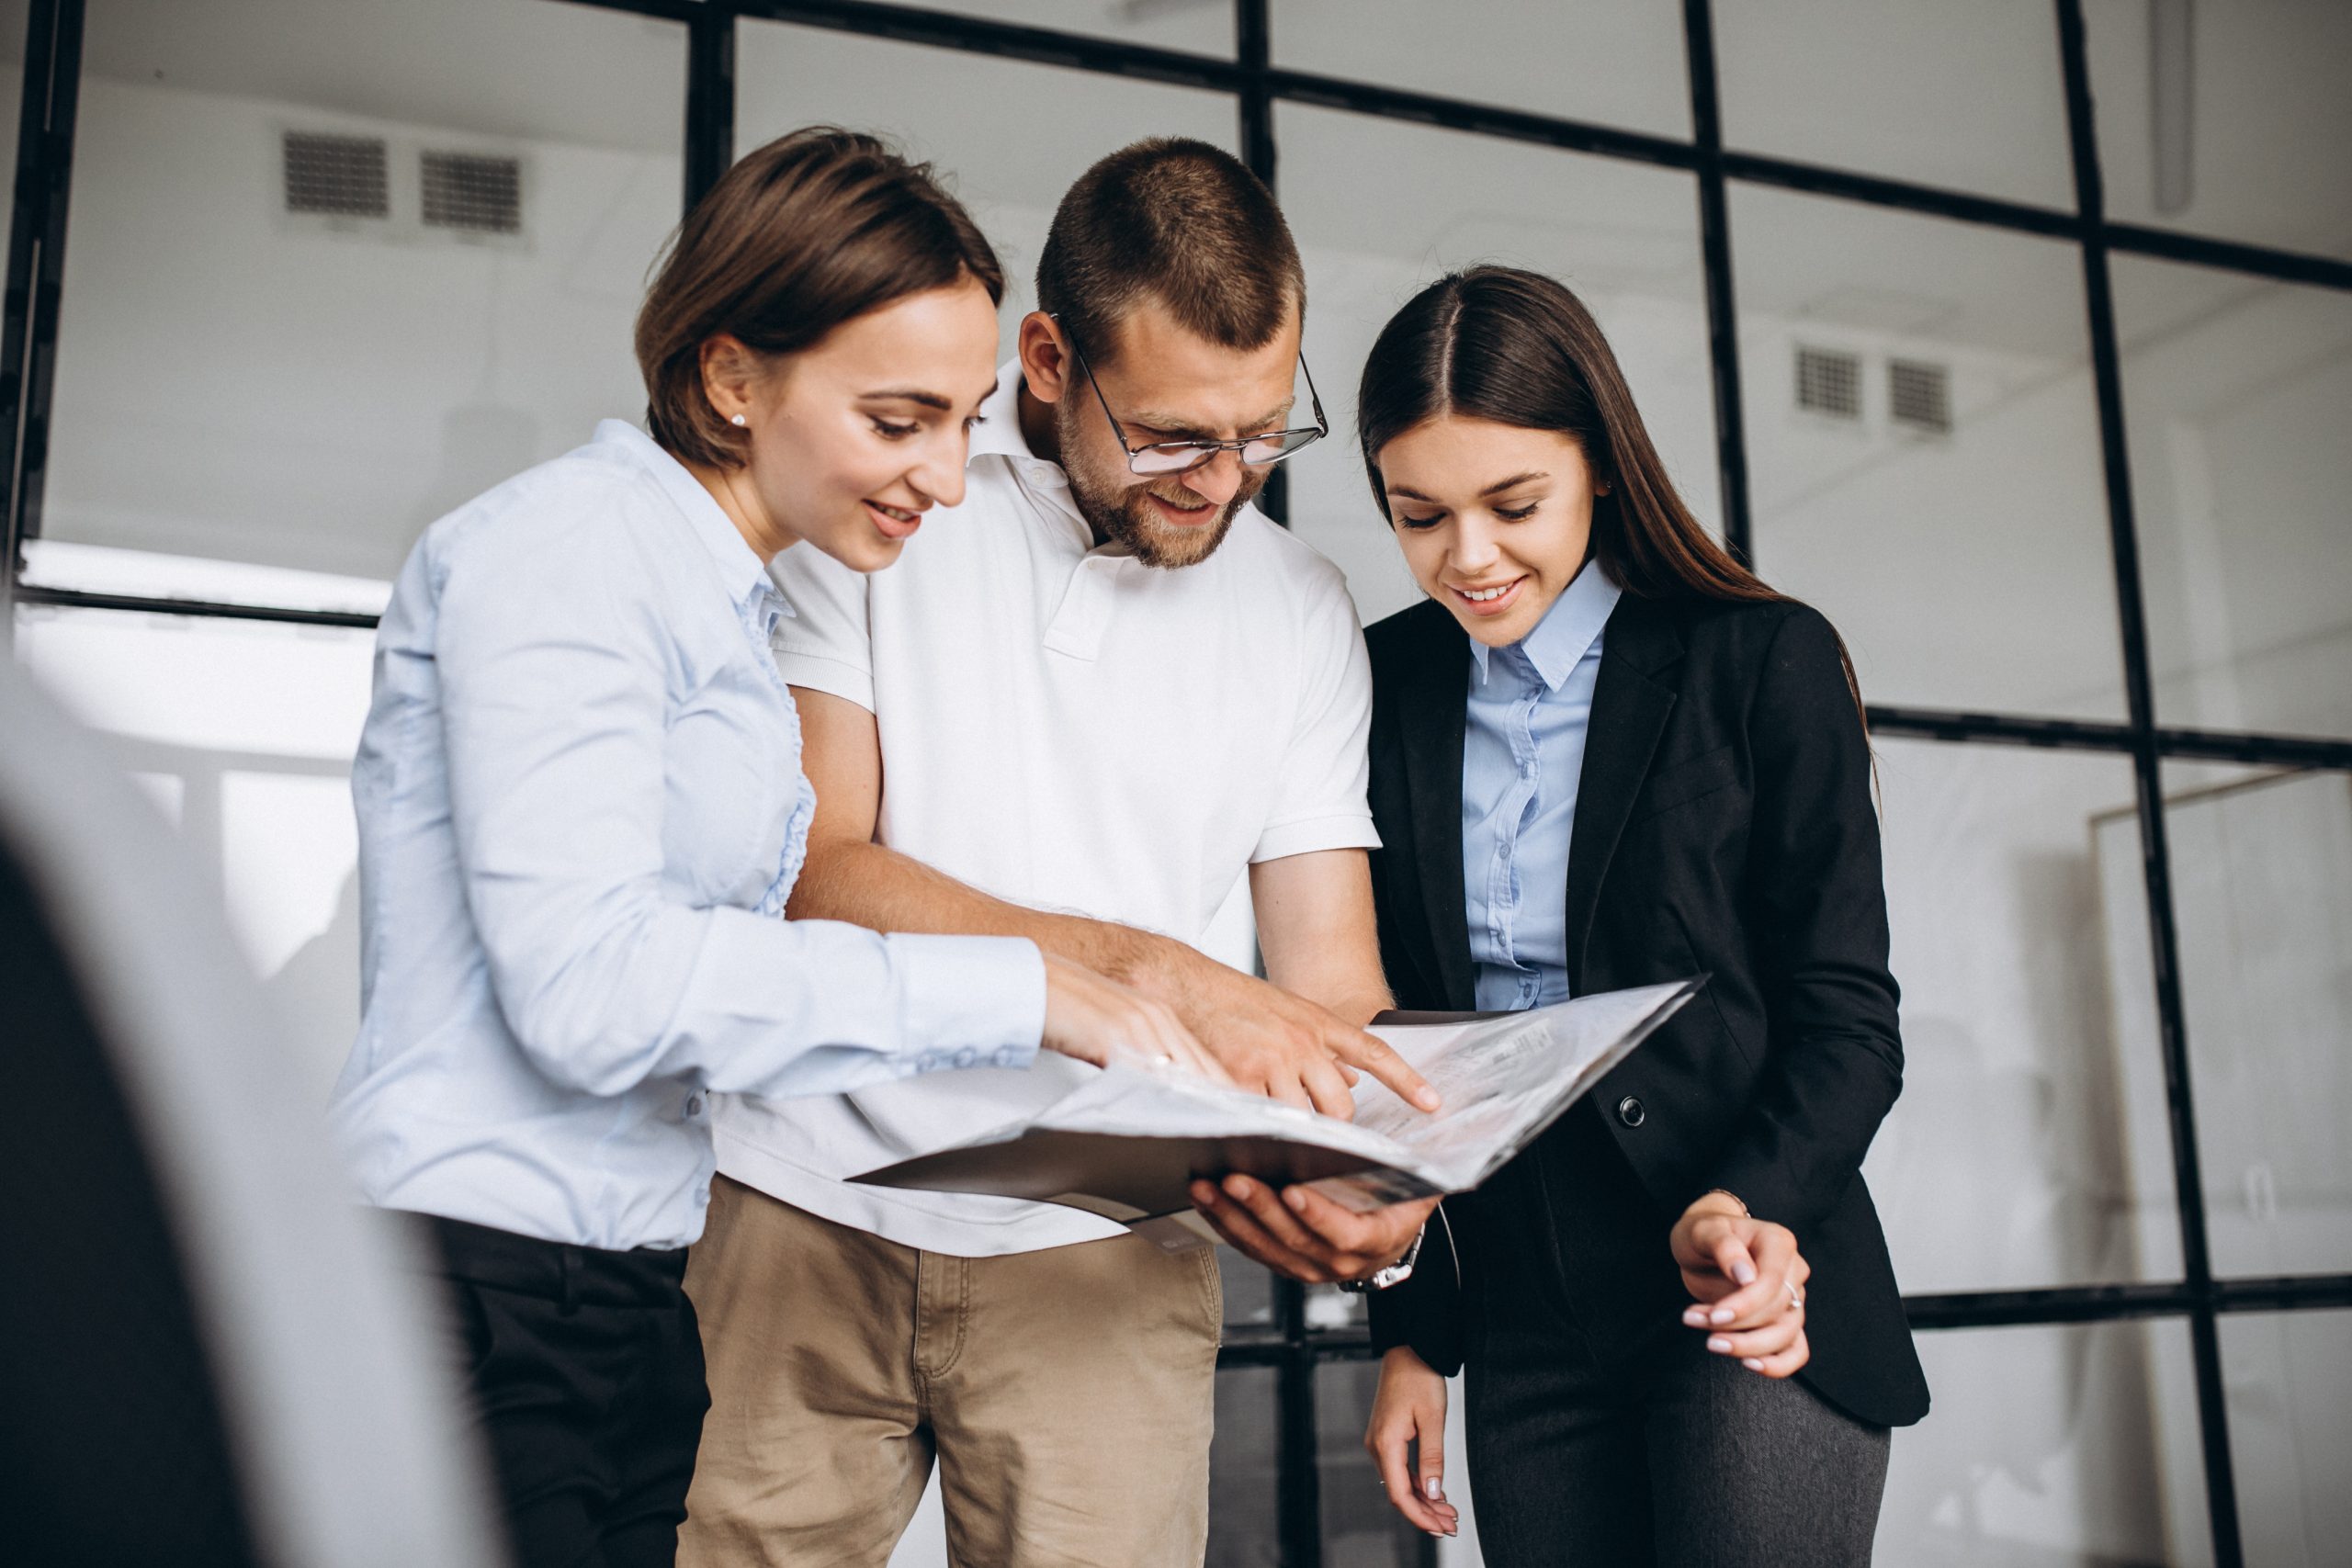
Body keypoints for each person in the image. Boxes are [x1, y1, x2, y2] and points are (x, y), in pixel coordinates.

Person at [325, 128, 1221, 1568]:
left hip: (625, 1302)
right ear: (733, 377)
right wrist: (1025, 989)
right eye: (899, 418)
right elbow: (592, 990)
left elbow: (724, 983)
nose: (946, 474)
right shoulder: (570, 550)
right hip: (470, 1296)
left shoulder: (736, 618)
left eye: (964, 419)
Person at [684, 138, 1439, 1568]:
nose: (1225, 481)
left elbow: (1330, 977)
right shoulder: (883, 502)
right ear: (1045, 356)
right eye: (1173, 436)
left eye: (1264, 434)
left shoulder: (1300, 609)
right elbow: (812, 865)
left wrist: (1378, 1192)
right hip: (800, 1206)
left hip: (1112, 1254)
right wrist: (1153, 971)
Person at [1227, 265, 1932, 1565]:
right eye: (1418, 514)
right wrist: (1415, 1338)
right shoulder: (1381, 685)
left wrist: (1753, 1207)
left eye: (1514, 504)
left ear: (1601, 465)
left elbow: (1849, 1023)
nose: (1470, 557)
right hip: (1520, 1317)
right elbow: (1401, 1040)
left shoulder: (1756, 660)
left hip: (1734, 1285)